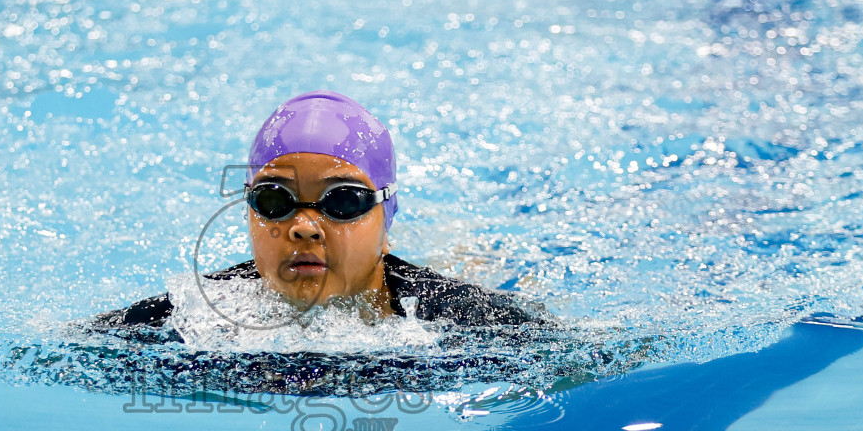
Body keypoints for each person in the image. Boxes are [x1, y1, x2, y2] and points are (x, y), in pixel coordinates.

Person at [95, 91, 546, 335]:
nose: (304, 228)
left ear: (386, 219)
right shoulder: (195, 314)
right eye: (275, 200)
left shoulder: (465, 320)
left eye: (343, 202)